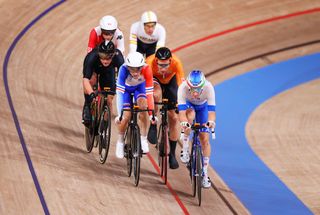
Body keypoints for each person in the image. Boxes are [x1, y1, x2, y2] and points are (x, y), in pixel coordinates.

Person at [146, 47, 185, 169]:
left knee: (173, 117)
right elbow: (146, 85)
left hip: (170, 81)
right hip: (155, 80)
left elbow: (181, 85)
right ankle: (153, 124)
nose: (163, 68)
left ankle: (172, 154)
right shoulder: (149, 62)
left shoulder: (176, 63)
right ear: (156, 60)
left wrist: (179, 104)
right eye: (160, 65)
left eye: (166, 65)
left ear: (170, 60)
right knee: (155, 94)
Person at [177, 70, 216, 188]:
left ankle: (205, 172)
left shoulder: (209, 87)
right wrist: (184, 122)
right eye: (192, 89)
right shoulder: (182, 88)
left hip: (203, 107)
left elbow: (212, 112)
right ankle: (185, 148)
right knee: (190, 116)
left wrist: (211, 122)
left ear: (203, 86)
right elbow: (182, 113)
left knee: (204, 139)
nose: (195, 93)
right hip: (189, 106)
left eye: (198, 89)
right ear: (188, 86)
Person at [115, 52, 156, 158]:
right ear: (127, 67)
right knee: (126, 117)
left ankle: (143, 138)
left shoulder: (147, 69)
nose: (135, 72)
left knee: (143, 107)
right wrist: (120, 114)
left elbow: (149, 94)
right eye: (132, 69)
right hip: (126, 91)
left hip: (139, 89)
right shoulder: (123, 70)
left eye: (138, 69)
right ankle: (120, 142)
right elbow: (119, 93)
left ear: (142, 66)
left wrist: (151, 114)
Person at [82, 41, 124, 126]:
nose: (105, 60)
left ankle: (104, 125)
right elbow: (85, 80)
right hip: (94, 69)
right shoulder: (91, 57)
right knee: (91, 81)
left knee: (109, 99)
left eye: (108, 57)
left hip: (108, 71)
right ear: (98, 54)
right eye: (102, 57)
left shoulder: (118, 57)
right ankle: (87, 105)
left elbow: (123, 78)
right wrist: (91, 94)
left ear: (113, 55)